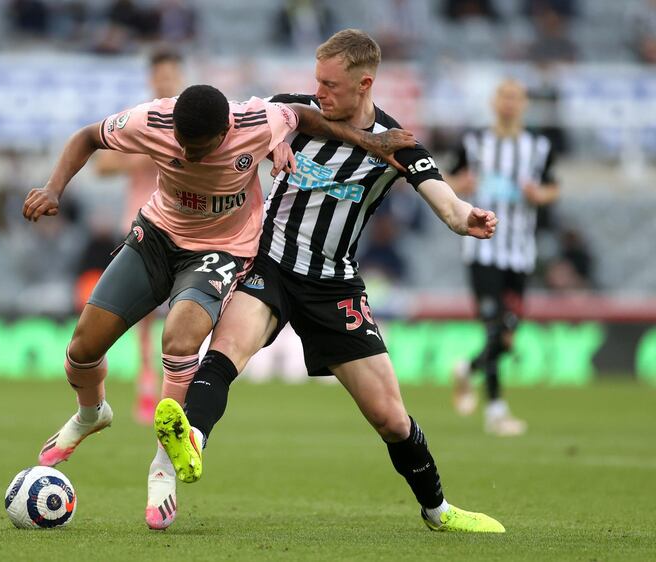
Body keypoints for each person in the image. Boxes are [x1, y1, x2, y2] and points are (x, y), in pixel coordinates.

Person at [153, 29, 505, 533]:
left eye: (330, 84)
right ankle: (193, 441)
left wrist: (468, 218)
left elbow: (447, 204)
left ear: (364, 84)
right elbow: (232, 129)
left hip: (334, 286)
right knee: (226, 351)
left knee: (390, 418)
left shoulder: (397, 143)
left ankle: (438, 510)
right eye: (316, 80)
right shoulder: (291, 113)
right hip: (267, 264)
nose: (319, 91)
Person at [22, 82, 416, 530]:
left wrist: (365, 141)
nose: (188, 156)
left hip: (221, 249)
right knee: (82, 350)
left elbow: (303, 117)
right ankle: (92, 414)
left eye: (200, 148)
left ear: (226, 131)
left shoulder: (255, 120)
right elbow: (87, 137)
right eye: (183, 146)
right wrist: (53, 188)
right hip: (156, 236)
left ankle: (163, 466)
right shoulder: (152, 120)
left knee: (182, 335)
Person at [448, 78, 559, 435]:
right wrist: (459, 186)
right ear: (495, 102)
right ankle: (496, 411)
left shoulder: (539, 147)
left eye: (516, 97)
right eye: (504, 97)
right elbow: (445, 177)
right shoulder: (474, 142)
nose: (509, 103)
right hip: (482, 249)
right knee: (494, 326)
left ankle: (468, 367)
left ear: (524, 103)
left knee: (508, 336)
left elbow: (553, 187)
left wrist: (538, 194)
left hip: (520, 251)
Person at [94, 49, 185, 425]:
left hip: (183, 224)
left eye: (170, 74)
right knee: (142, 317)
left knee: (182, 313)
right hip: (139, 222)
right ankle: (146, 384)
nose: (164, 81)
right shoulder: (141, 118)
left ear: (180, 76)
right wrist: (146, 155)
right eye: (159, 75)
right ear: (152, 79)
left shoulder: (193, 117)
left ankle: (173, 388)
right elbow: (102, 163)